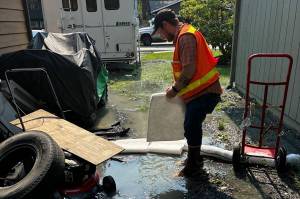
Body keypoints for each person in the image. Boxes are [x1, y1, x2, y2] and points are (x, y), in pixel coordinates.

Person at [152, 9, 222, 177]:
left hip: (206, 91)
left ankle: (193, 165)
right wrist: (175, 86)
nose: (160, 36)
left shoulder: (185, 37)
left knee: (191, 125)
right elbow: (186, 69)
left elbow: (189, 69)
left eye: (160, 32)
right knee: (192, 125)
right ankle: (194, 160)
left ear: (165, 25)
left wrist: (174, 90)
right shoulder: (184, 34)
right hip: (201, 91)